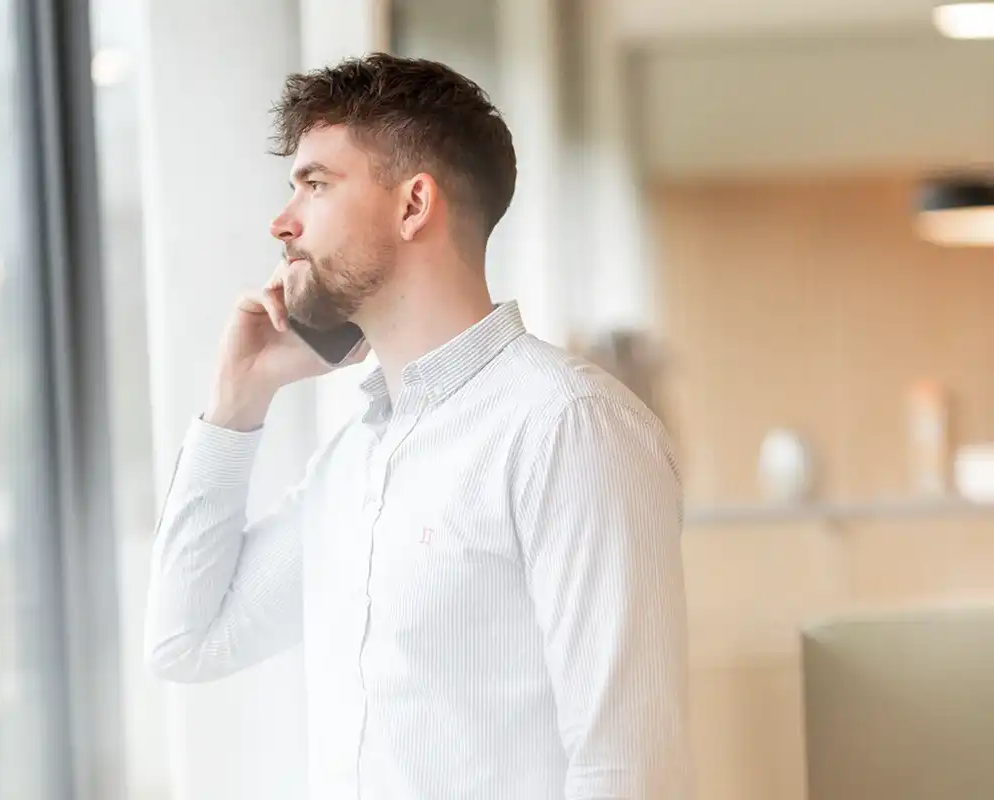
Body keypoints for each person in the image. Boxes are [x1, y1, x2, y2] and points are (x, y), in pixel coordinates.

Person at [144, 53, 692, 800]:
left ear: (413, 205)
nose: (282, 222)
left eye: (315, 184)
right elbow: (186, 640)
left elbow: (628, 768)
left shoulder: (569, 429)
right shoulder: (356, 459)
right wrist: (237, 400)